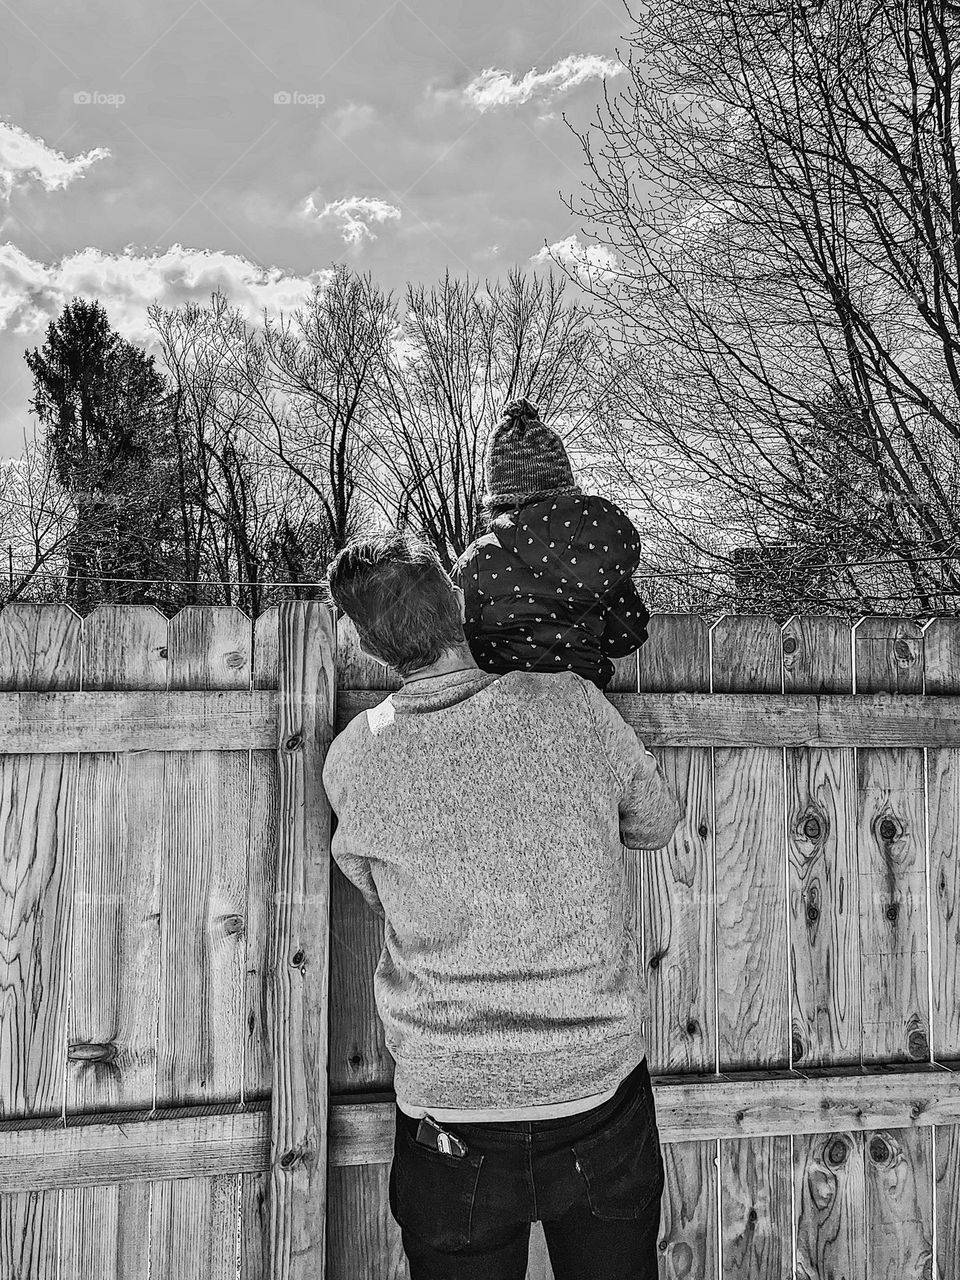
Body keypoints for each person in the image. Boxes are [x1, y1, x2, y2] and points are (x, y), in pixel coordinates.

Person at [321, 531, 682, 1280]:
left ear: (365, 644)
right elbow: (655, 822)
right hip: (596, 1092)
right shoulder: (572, 705)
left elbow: (372, 885)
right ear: (458, 603)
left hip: (450, 1111)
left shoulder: (355, 755)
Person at [450, 398, 649, 690]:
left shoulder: (480, 558)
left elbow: (449, 638)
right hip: (583, 707)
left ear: (499, 497)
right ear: (564, 485)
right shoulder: (597, 550)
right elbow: (626, 637)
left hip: (498, 712)